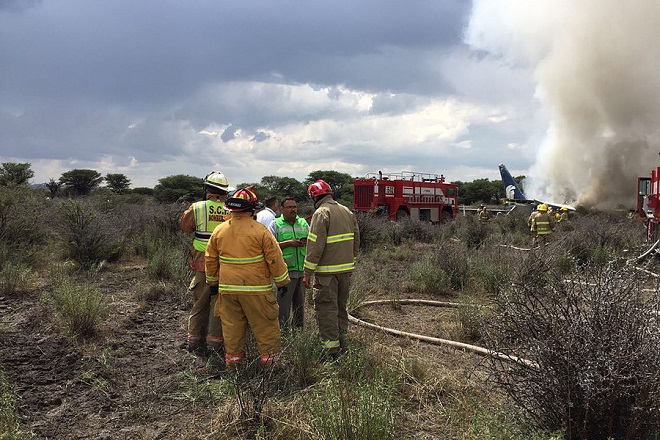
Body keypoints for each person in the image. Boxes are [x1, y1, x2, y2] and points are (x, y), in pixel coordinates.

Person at [205, 188, 290, 367]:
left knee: (232, 330)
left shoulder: (219, 231)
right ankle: (272, 368)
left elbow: (210, 259)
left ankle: (235, 368)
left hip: (227, 291)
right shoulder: (260, 231)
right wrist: (282, 282)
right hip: (257, 292)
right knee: (266, 329)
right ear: (252, 209)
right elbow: (274, 258)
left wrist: (212, 283)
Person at [303, 180, 360, 360]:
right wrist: (351, 264)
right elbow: (356, 240)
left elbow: (314, 245)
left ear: (314, 197)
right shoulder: (346, 211)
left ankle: (330, 352)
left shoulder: (321, 213)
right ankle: (342, 344)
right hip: (345, 273)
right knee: (341, 309)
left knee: (326, 310)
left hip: (326, 275)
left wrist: (307, 272)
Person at [179, 171, 232, 355]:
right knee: (219, 305)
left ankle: (194, 342)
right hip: (224, 266)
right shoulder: (231, 210)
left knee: (200, 303)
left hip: (202, 265)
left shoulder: (198, 207)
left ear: (207, 189)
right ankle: (216, 344)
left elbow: (186, 227)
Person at [270, 197, 309, 330]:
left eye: (294, 207)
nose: (293, 210)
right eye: (290, 207)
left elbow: (312, 241)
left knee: (300, 306)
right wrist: (288, 243)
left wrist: (305, 242)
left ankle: (298, 332)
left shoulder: (303, 223)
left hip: (302, 271)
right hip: (285, 274)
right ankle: (283, 333)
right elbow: (270, 247)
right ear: (282, 209)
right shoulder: (275, 224)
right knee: (283, 307)